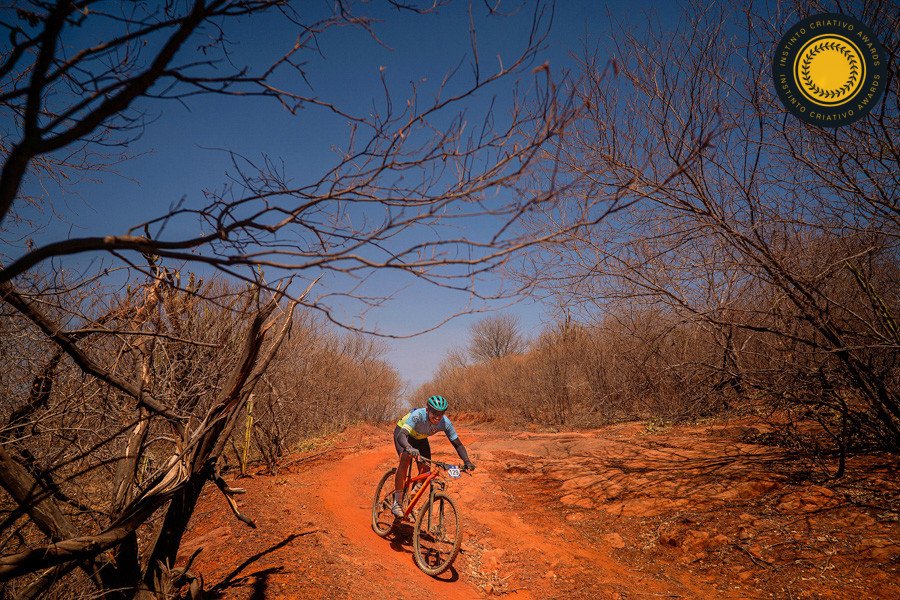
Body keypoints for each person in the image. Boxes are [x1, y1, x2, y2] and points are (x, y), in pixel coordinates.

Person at [391, 394, 475, 518]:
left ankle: (409, 504)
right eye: (434, 413)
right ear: (427, 410)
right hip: (404, 435)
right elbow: (401, 436)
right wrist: (408, 448)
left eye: (440, 414)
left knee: (426, 471)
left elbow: (457, 444)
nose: (436, 417)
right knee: (405, 458)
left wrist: (467, 461)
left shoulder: (445, 423)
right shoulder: (418, 415)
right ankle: (397, 502)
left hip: (420, 439)